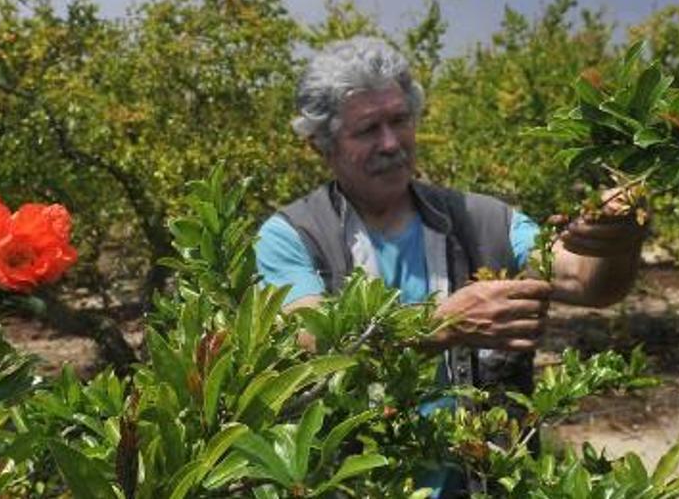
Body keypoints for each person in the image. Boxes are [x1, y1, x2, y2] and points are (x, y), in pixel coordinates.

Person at [254, 37, 648, 496]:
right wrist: (442, 325)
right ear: (321, 146)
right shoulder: (292, 236)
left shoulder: (482, 219)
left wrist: (620, 237)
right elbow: (310, 351)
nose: (390, 143)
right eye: (367, 129)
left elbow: (588, 282)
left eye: (400, 120)